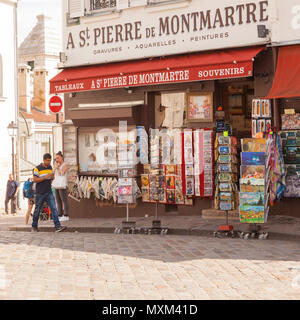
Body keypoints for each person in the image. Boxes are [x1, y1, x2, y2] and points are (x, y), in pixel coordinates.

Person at [31, 153, 66, 232]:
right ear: (43, 160)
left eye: (50, 160)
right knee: (37, 210)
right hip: (40, 193)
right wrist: (45, 177)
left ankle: (57, 226)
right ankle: (34, 226)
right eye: (47, 160)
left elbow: (51, 179)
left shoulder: (50, 167)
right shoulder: (37, 168)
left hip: (48, 192)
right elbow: (35, 180)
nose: (49, 162)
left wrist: (52, 175)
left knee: (54, 208)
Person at [53, 151, 69, 221]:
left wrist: (57, 168)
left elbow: (62, 174)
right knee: (57, 200)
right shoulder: (57, 165)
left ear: (61, 157)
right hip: (56, 183)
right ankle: (59, 215)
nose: (57, 160)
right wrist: (55, 167)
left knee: (64, 200)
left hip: (62, 183)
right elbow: (53, 173)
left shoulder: (65, 165)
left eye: (58, 158)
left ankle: (66, 215)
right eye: (55, 158)